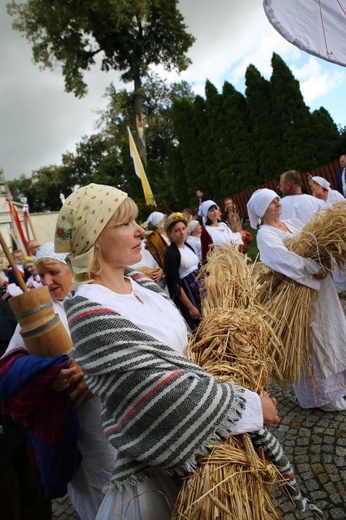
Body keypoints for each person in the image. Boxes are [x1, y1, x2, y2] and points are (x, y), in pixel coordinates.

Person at [54, 183, 279, 520]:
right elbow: (154, 392)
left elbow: (183, 354)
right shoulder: (89, 310)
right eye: (125, 224)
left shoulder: (142, 286)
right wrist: (247, 406)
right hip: (158, 467)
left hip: (201, 447)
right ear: (94, 237)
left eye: (136, 222)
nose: (140, 231)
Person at [0, 242, 117, 519]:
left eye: (53, 272)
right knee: (98, 496)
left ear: (72, 268)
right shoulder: (39, 315)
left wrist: (93, 373)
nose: (47, 282)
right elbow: (9, 368)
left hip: (119, 416)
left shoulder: (100, 298)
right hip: (84, 433)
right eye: (41, 276)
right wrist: (48, 376)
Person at [247, 188, 346, 411]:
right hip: (302, 292)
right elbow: (283, 260)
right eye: (272, 202)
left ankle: (340, 386)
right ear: (262, 210)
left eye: (277, 199)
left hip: (323, 287)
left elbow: (316, 243)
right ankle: (323, 396)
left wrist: (326, 261)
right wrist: (313, 268)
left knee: (333, 329)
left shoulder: (292, 223)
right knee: (315, 339)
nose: (277, 203)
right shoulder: (265, 234)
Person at [164, 213, 201, 331]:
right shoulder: (171, 253)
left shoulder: (187, 246)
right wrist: (190, 307)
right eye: (177, 230)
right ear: (170, 233)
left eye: (183, 229)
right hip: (190, 294)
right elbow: (175, 284)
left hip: (200, 290)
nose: (182, 233)